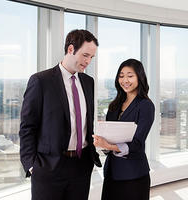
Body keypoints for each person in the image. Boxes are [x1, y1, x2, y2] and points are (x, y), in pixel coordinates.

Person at [19, 29, 102, 200]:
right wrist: (32, 165)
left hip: (81, 165)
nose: (88, 61)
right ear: (71, 49)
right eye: (85, 55)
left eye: (91, 57)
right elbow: (27, 126)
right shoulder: (41, 81)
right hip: (48, 168)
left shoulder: (88, 82)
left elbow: (87, 121)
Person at [93, 58, 155, 200]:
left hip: (133, 174)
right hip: (112, 173)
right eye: (121, 76)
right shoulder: (114, 106)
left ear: (140, 77)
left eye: (130, 75)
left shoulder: (145, 106)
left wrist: (109, 145)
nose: (125, 80)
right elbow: (108, 141)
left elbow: (138, 144)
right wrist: (102, 142)